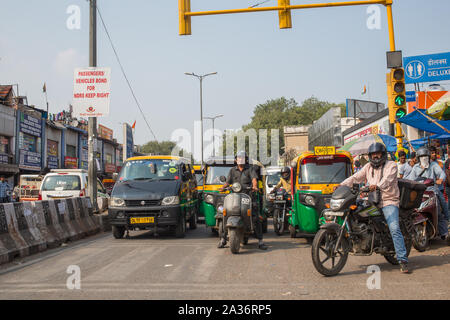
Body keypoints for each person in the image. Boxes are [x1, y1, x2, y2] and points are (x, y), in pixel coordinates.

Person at [339, 142, 411, 273]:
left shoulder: (392, 165)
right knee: (355, 212)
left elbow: (388, 180)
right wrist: (341, 185)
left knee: (394, 228)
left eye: (378, 154)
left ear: (383, 154)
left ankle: (403, 260)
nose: (375, 156)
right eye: (373, 154)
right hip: (372, 201)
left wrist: (376, 186)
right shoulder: (368, 167)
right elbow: (356, 177)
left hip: (388, 201)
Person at [218, 151, 268, 250]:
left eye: (243, 158)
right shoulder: (232, 170)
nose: (240, 159)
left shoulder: (250, 169)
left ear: (245, 160)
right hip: (235, 196)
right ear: (236, 160)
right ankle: (223, 239)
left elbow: (254, 179)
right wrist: (223, 187)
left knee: (255, 216)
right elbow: (228, 182)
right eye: (239, 158)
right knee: (225, 214)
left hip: (248, 196)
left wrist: (254, 186)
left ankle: (260, 241)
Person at [408, 147, 449, 244]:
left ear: (429, 157)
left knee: (440, 208)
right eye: (422, 157)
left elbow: (442, 173)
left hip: (432, 191)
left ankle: (445, 229)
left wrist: (440, 179)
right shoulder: (415, 168)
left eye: (426, 157)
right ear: (418, 158)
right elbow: (410, 179)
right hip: (420, 193)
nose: (424, 159)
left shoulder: (433, 165)